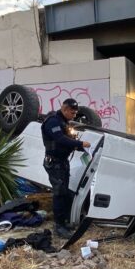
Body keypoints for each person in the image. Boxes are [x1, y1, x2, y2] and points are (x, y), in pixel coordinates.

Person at [41, 98, 91, 239]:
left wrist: (81, 147)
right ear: (65, 109)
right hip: (54, 163)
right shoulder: (53, 122)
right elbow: (60, 140)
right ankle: (59, 226)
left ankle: (63, 222)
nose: (74, 115)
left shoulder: (64, 122)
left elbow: (68, 142)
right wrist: (81, 144)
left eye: (75, 113)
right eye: (72, 112)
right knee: (59, 193)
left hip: (62, 162)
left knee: (64, 192)